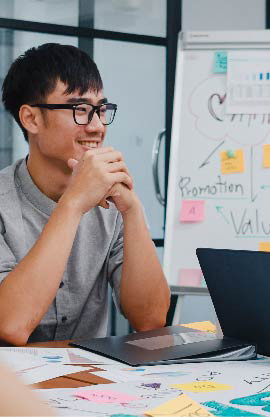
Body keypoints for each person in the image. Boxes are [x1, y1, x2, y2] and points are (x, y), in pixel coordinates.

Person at [0, 43, 170, 345]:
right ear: (31, 119)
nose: (96, 126)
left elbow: (151, 319)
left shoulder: (111, 202)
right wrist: (74, 203)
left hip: (88, 382)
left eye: (101, 110)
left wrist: (132, 210)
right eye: (80, 110)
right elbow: (11, 325)